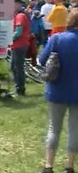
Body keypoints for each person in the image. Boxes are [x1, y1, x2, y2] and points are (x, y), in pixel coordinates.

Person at [39, 10, 78, 173]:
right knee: (75, 129)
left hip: (57, 88)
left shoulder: (57, 38)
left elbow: (41, 60)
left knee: (54, 128)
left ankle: (48, 166)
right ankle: (69, 165)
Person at [10, 0, 32, 97]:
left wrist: (8, 40)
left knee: (17, 68)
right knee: (14, 67)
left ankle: (20, 89)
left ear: (18, 4)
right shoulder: (17, 15)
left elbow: (18, 33)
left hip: (20, 45)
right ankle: (18, 88)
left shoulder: (20, 16)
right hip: (17, 45)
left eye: (13, 4)